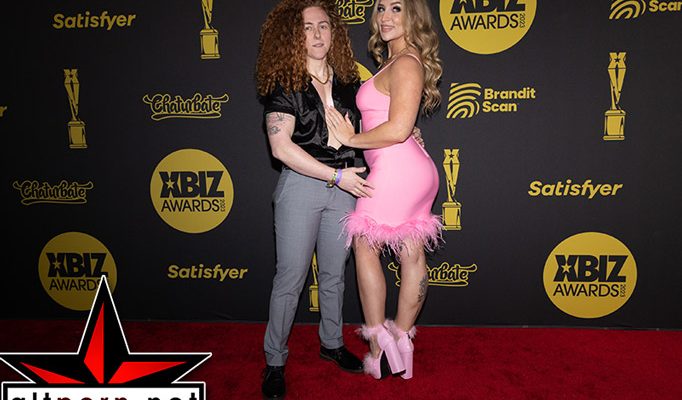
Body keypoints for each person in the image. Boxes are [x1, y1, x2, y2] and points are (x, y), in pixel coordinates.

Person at [255, 0, 371, 398]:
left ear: (334, 32)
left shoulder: (349, 83)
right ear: (293, 35)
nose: (318, 34)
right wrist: (335, 175)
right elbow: (281, 148)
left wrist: (407, 132)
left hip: (345, 187)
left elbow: (373, 127)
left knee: (335, 275)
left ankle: (332, 344)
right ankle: (274, 361)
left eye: (324, 25)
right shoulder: (285, 84)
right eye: (307, 27)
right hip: (303, 186)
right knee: (290, 278)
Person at [325, 0, 443, 380]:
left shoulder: (406, 62)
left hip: (397, 169)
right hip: (410, 169)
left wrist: (350, 138)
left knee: (364, 245)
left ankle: (378, 347)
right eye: (380, 8)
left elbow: (398, 129)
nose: (386, 16)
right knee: (411, 251)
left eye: (396, 8)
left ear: (413, 16)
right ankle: (403, 339)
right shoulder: (397, 61)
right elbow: (400, 122)